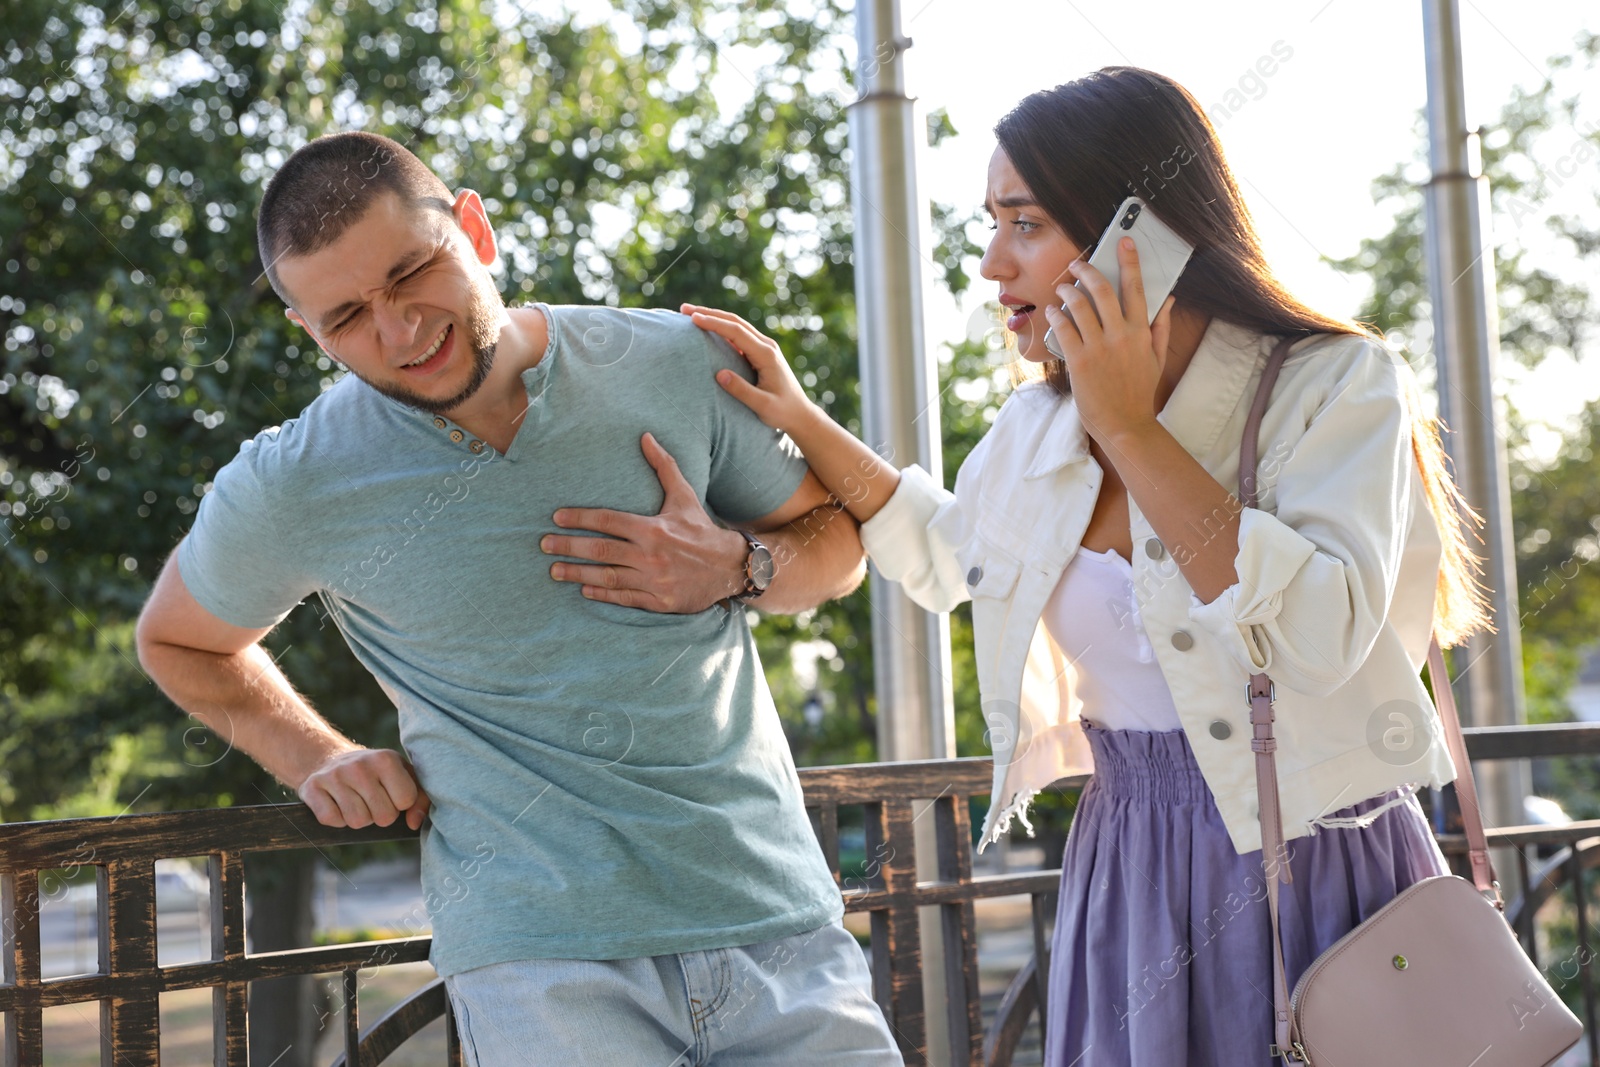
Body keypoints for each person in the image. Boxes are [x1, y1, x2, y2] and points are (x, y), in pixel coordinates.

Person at [683, 66, 1491, 1066]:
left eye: (1023, 224)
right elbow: (947, 554)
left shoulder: (1334, 384)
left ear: (1139, 235)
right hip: (1129, 863)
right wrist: (806, 423)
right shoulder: (1036, 427)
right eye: (991, 223)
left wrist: (1130, 424)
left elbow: (1323, 631)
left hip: (1319, 867)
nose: (991, 265)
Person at [134, 131, 905, 1065]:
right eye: (346, 317)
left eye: (413, 271)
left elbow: (839, 543)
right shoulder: (292, 479)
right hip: (539, 962)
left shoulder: (676, 361)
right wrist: (313, 756)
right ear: (308, 331)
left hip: (778, 918)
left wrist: (741, 565)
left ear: (475, 228)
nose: (398, 329)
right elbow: (178, 640)